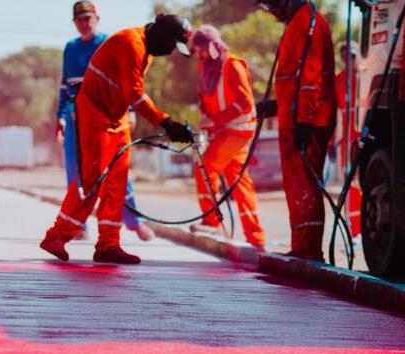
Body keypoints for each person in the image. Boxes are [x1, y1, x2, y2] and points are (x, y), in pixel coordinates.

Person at [40, 14, 194, 265]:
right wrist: (167, 123)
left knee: (117, 181)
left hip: (117, 117)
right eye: (171, 46)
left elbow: (127, 93)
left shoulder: (147, 50)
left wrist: (167, 123)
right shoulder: (131, 43)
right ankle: (56, 236)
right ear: (162, 36)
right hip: (94, 113)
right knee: (93, 178)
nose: (169, 52)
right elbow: (135, 93)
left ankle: (108, 245)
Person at [57, 1, 154, 241]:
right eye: (79, 20)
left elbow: (126, 81)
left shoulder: (109, 43)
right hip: (75, 117)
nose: (84, 23)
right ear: (74, 23)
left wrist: (130, 110)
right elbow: (64, 85)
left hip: (107, 116)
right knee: (76, 171)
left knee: (115, 168)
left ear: (97, 18)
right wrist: (60, 117)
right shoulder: (70, 48)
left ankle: (134, 222)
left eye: (88, 18)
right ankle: (79, 226)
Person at [255, 0, 336, 261]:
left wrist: (305, 120)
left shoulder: (307, 22)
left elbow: (310, 77)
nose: (272, 11)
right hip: (297, 117)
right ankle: (302, 247)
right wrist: (277, 105)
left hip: (307, 120)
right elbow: (297, 78)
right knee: (298, 185)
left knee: (305, 186)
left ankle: (309, 250)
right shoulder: (299, 21)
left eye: (271, 4)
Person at [189, 26, 266, 249]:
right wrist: (206, 117)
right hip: (223, 131)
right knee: (239, 182)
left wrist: (216, 120)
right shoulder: (206, 67)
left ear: (212, 46)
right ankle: (257, 239)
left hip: (238, 130)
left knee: (205, 167)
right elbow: (204, 96)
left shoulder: (233, 65)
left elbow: (245, 104)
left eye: (201, 50)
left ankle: (211, 221)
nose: (199, 55)